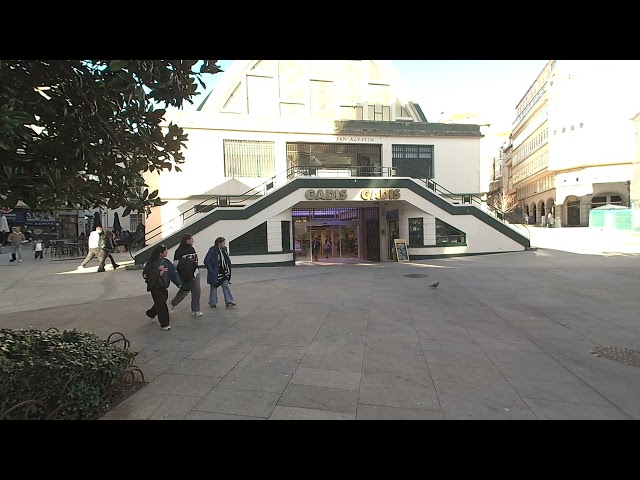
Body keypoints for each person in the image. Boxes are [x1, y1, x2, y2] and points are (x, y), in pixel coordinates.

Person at [142, 244, 181, 331]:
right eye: (165, 251)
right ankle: (164, 324)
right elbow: (146, 274)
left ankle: (151, 313)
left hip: (164, 286)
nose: (167, 252)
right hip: (155, 287)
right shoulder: (151, 263)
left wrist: (179, 283)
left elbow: (173, 274)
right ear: (160, 253)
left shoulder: (167, 262)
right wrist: (157, 272)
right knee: (162, 305)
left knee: (161, 302)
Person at [169, 233, 202, 317]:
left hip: (195, 273)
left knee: (196, 291)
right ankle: (173, 302)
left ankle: (196, 309)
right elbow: (175, 263)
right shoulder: (179, 251)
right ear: (187, 240)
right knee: (184, 291)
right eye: (191, 239)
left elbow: (195, 261)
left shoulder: (192, 249)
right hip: (185, 274)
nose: (193, 240)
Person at [204, 236, 235, 308]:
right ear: (219, 243)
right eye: (223, 243)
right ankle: (212, 302)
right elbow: (206, 261)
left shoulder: (224, 250)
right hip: (216, 272)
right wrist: (211, 270)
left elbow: (226, 259)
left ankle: (229, 301)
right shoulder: (212, 250)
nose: (224, 244)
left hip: (224, 271)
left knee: (226, 286)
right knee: (214, 287)